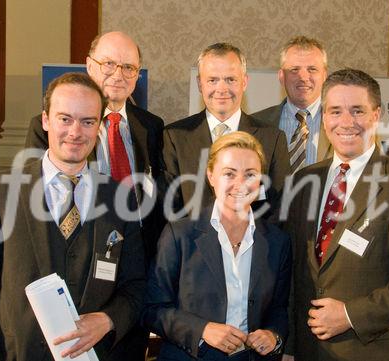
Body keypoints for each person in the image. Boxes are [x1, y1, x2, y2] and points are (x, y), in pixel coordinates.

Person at [0, 73, 146, 361]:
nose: (75, 132)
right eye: (65, 119)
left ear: (100, 127)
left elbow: (136, 286)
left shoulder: (120, 197)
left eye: (88, 121)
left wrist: (107, 320)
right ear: (45, 120)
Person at [283, 68, 389, 361]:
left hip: (376, 350)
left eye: (357, 110)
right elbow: (297, 271)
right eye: (335, 111)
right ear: (324, 116)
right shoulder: (303, 182)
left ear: (376, 115)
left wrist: (350, 314)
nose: (346, 122)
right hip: (310, 351)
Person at [25, 31, 164, 360]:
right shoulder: (48, 129)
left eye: (129, 67)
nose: (119, 73)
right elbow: (37, 208)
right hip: (73, 283)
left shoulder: (154, 127)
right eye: (109, 63)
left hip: (132, 282)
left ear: (138, 74)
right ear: (89, 66)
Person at [143, 131, 291, 360]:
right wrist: (202, 330)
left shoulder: (277, 241)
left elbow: (279, 309)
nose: (240, 184)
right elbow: (152, 309)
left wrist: (273, 335)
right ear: (211, 176)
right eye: (229, 174)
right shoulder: (179, 234)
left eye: (250, 174)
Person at [163, 43, 290, 219]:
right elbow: (172, 206)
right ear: (200, 84)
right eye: (212, 80)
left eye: (230, 79)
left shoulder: (273, 139)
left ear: (244, 82)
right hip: (192, 244)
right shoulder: (175, 137)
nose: (221, 89)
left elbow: (279, 207)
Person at [253, 36, 332, 172]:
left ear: (325, 75)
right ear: (281, 76)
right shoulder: (255, 125)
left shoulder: (343, 124)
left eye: (312, 69)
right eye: (294, 70)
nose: (303, 77)